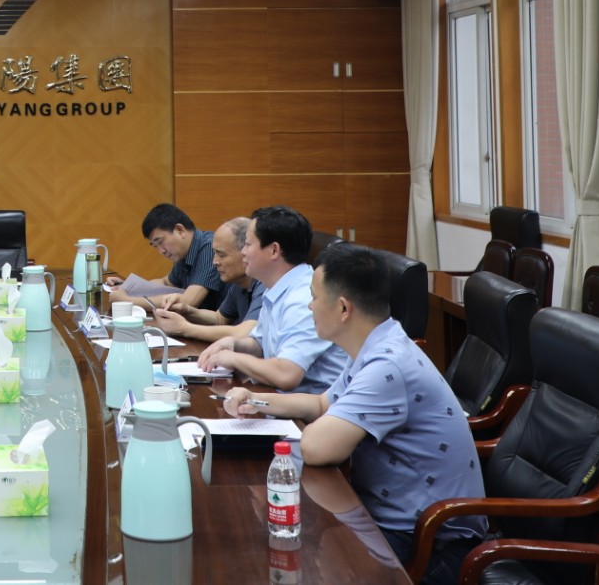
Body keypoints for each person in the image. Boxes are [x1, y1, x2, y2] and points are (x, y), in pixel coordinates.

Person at [223, 244, 485, 585]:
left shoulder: (386, 365)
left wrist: (307, 427)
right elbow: (322, 405)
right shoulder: (376, 342)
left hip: (432, 543)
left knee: (294, 561)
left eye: (314, 297)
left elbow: (317, 449)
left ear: (344, 308)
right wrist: (256, 401)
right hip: (390, 518)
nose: (309, 306)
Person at [197, 205, 347, 394]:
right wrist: (233, 344)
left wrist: (234, 358)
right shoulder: (276, 288)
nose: (243, 252)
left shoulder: (303, 299)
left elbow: (286, 374)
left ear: (274, 250)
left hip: (313, 407)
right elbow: (261, 344)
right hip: (282, 399)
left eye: (247, 245)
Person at [150, 216, 263, 343]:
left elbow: (245, 333)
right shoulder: (239, 282)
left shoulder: (265, 283)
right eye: (214, 253)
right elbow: (220, 318)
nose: (215, 262)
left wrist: (185, 328)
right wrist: (186, 310)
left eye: (221, 255)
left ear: (246, 251)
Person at [107, 203, 225, 311]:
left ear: (180, 230)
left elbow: (188, 302)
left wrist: (128, 301)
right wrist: (129, 287)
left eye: (160, 242)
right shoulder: (184, 252)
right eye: (155, 246)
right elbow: (166, 282)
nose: (161, 251)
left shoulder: (209, 247)